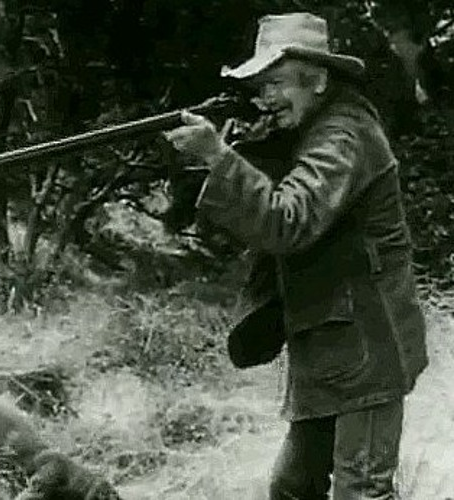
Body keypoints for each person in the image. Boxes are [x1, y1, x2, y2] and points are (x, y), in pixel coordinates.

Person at [164, 12, 428, 500]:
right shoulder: (313, 130)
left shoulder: (345, 135)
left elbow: (287, 221)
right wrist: (236, 150)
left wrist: (218, 156)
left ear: (319, 80)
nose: (266, 99)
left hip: (367, 346)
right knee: (292, 488)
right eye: (260, 88)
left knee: (361, 490)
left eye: (278, 84)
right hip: (331, 345)